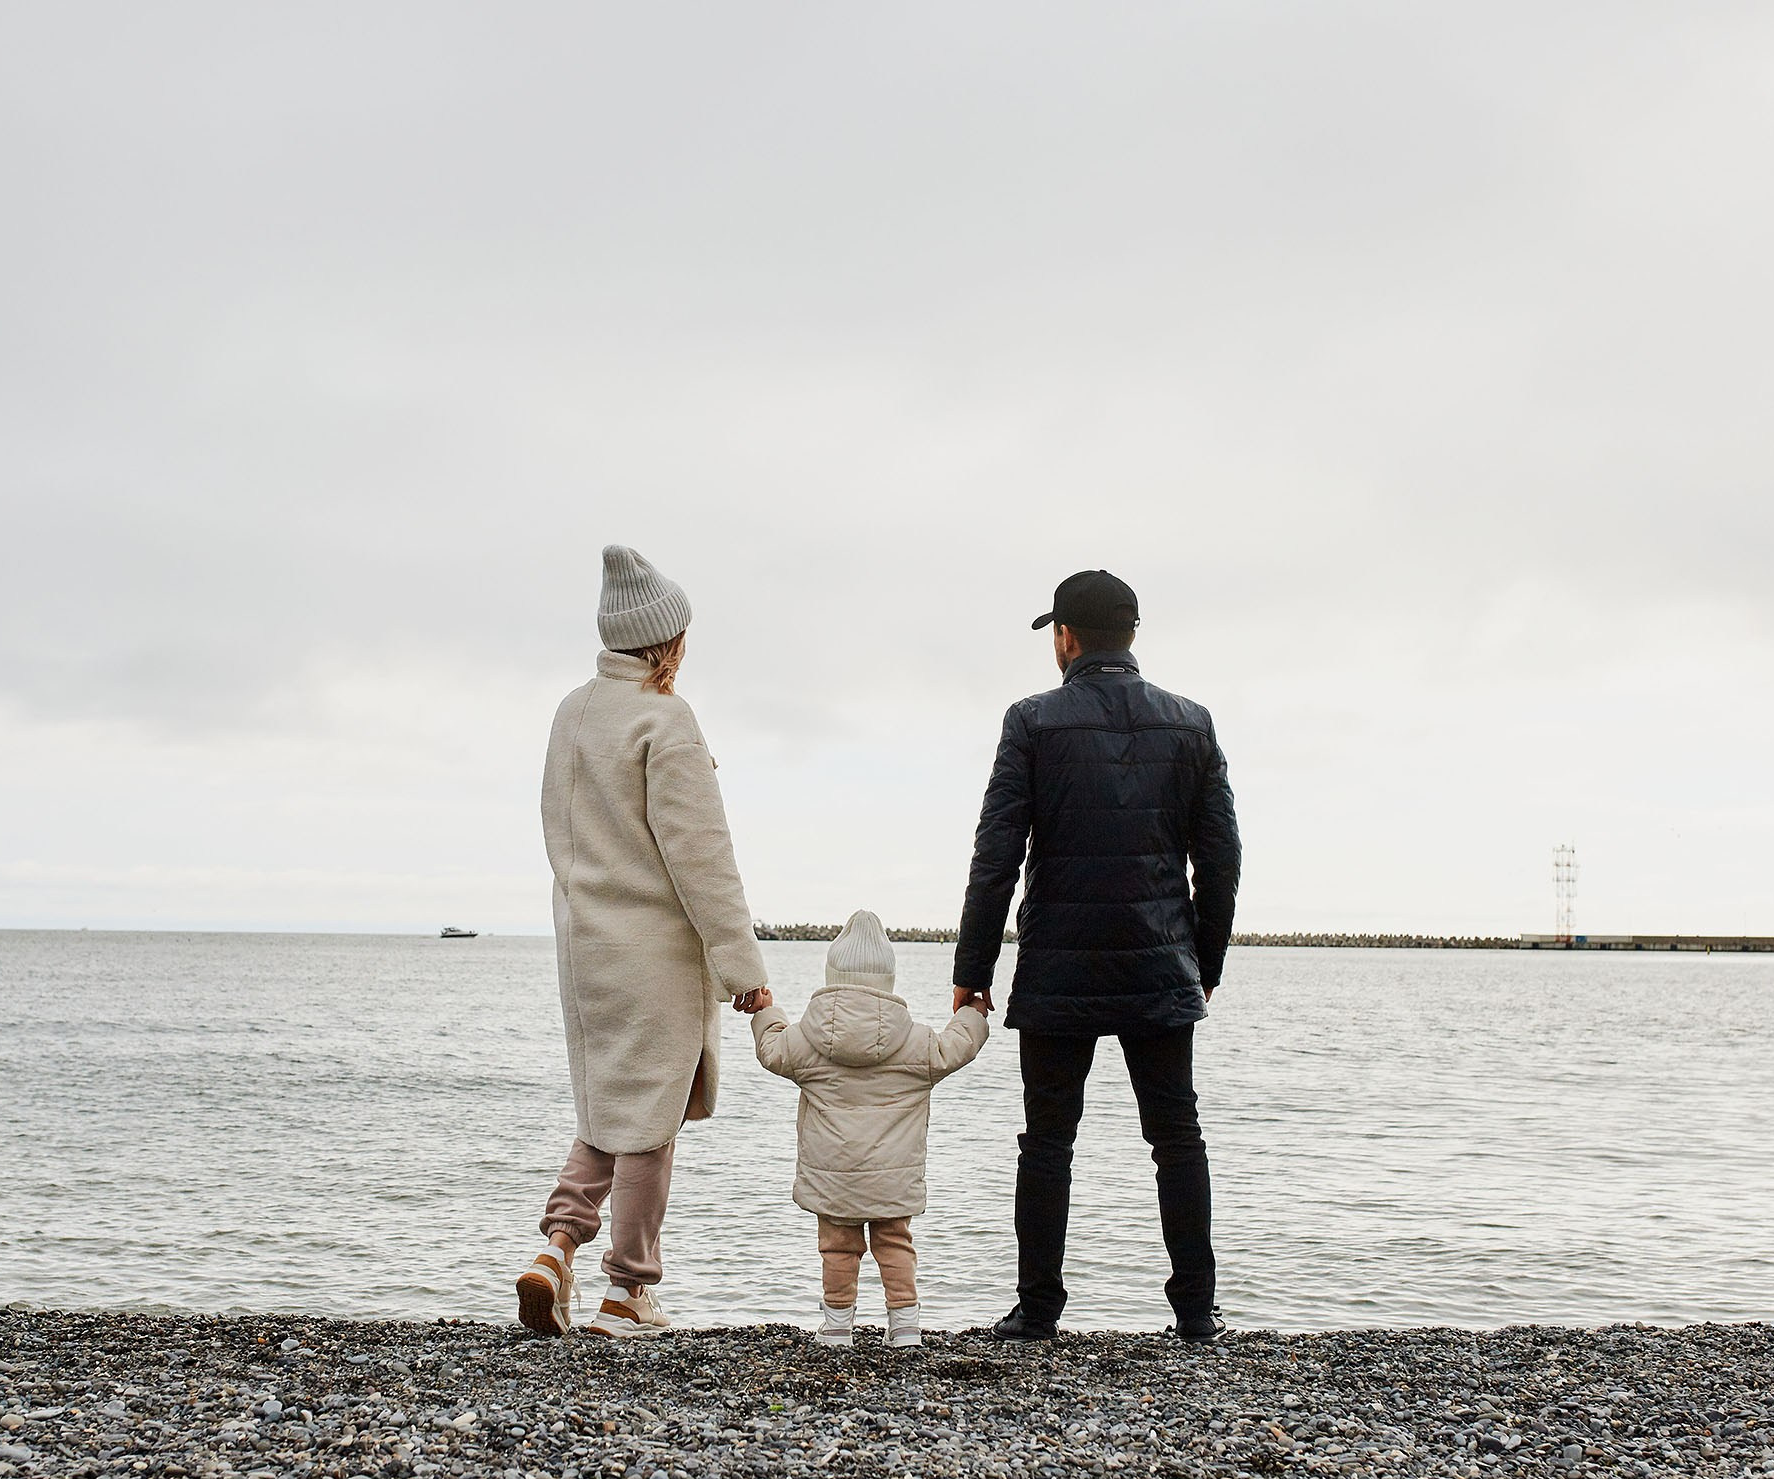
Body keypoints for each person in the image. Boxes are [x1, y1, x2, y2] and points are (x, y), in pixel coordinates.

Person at [953, 569, 1242, 1343]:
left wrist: (972, 971)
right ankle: (1195, 1311)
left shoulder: (1032, 722)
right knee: (1175, 1133)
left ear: (1067, 638)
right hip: (1159, 962)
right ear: (1133, 637)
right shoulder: (1192, 724)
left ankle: (1038, 1309)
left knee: (1047, 1137)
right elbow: (1221, 859)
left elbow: (996, 856)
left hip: (1058, 966)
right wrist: (1203, 962)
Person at [516, 545, 772, 1340]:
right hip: (653, 954)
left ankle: (556, 1250)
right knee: (652, 1119)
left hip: (583, 945)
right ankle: (627, 1291)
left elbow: (559, 829)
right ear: (668, 640)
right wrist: (745, 971)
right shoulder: (666, 719)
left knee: (607, 1109)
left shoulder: (572, 711)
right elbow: (702, 858)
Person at [746, 910, 990, 1349]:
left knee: (838, 1248)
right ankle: (905, 1326)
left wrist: (767, 1010)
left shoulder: (806, 1039)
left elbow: (771, 1050)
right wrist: (972, 1009)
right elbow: (959, 1047)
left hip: (832, 1174)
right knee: (895, 1244)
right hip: (893, 1176)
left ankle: (838, 1325)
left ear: (832, 976)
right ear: (889, 982)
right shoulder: (916, 1042)